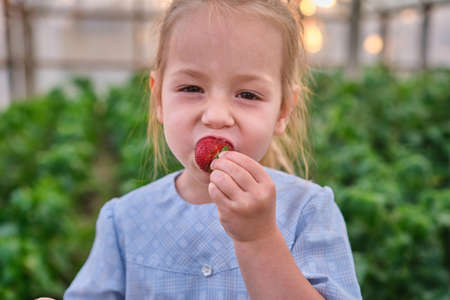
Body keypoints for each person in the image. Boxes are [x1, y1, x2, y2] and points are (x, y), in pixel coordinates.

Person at [64, 0, 362, 299]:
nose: (216, 116)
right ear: (158, 100)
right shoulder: (125, 221)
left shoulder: (307, 211)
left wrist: (259, 239)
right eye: (191, 89)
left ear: (283, 111)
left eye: (247, 94)